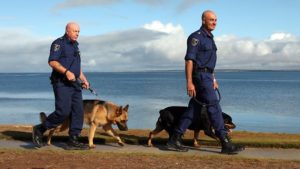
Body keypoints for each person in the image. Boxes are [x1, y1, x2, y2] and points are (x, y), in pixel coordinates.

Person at [167, 10, 244, 154]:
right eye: (211, 20)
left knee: (193, 110)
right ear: (203, 20)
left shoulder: (210, 38)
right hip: (200, 77)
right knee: (214, 108)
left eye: (216, 20)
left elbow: (209, 62)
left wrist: (213, 78)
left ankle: (174, 138)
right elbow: (189, 60)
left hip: (207, 77)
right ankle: (225, 143)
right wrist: (189, 82)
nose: (214, 22)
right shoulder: (196, 37)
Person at [32, 22, 90, 150]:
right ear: (67, 30)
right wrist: (66, 72)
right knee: (63, 112)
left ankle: (73, 140)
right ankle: (40, 129)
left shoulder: (76, 45)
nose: (77, 34)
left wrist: (84, 80)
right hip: (61, 82)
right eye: (75, 31)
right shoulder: (58, 43)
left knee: (78, 112)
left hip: (75, 84)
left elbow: (77, 67)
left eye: (79, 31)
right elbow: (52, 61)